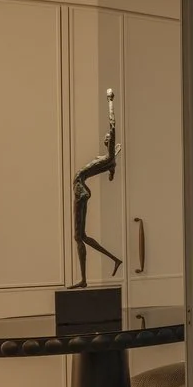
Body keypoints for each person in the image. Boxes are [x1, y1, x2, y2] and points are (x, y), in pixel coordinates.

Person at [70, 89, 122, 288]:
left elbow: (113, 125)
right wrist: (111, 171)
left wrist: (110, 101)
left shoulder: (108, 157)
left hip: (80, 189)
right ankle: (112, 260)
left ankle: (84, 279)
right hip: (81, 188)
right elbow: (111, 173)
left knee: (78, 236)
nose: (106, 137)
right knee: (80, 236)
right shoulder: (109, 161)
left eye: (109, 137)